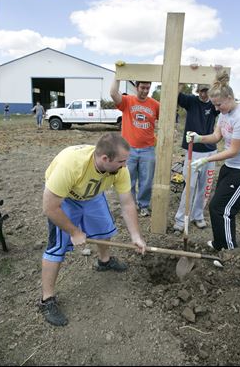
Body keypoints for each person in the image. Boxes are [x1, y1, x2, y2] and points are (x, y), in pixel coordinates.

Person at [39, 133, 146, 326]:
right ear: (105, 159)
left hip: (92, 195)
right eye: (121, 161)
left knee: (105, 231)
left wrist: (136, 235)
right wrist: (74, 232)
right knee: (56, 248)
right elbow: (49, 208)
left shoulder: (119, 169)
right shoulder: (71, 165)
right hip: (65, 199)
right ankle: (47, 300)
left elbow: (127, 203)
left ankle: (104, 262)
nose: (125, 166)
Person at [187, 70, 240, 251]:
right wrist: (199, 138)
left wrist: (206, 160)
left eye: (218, 104)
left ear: (230, 98)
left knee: (223, 210)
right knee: (217, 207)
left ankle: (228, 251)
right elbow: (216, 136)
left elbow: (234, 151)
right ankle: (220, 243)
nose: (217, 108)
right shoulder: (224, 115)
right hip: (229, 168)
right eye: (214, 105)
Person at [173, 65, 219, 233]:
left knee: (204, 188)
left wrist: (218, 73)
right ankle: (180, 220)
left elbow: (223, 90)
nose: (203, 94)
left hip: (209, 152)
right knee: (189, 186)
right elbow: (175, 94)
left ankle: (197, 216)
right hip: (192, 152)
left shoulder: (214, 105)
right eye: (200, 91)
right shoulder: (191, 101)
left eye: (206, 90)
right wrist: (185, 76)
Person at [110, 69, 160, 217]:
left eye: (148, 88)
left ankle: (144, 205)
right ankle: (130, 205)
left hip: (148, 149)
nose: (145, 91)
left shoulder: (155, 105)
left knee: (146, 181)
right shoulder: (127, 101)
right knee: (128, 180)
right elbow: (113, 93)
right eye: (142, 87)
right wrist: (118, 75)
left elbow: (167, 118)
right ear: (136, 87)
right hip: (128, 149)